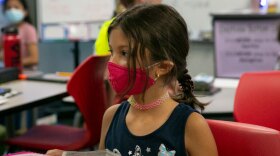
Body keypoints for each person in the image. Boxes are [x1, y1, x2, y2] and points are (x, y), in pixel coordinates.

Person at [47, 4, 217, 156]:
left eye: (125, 53)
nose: (111, 62)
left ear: (163, 67)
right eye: (111, 51)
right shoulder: (111, 116)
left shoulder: (191, 125)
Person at [1, 0, 39, 69]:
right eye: (9, 8)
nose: (12, 10)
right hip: (9, 72)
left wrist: (13, 62)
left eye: (16, 7)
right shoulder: (5, 30)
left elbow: (34, 59)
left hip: (26, 73)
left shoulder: (29, 29)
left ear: (25, 12)